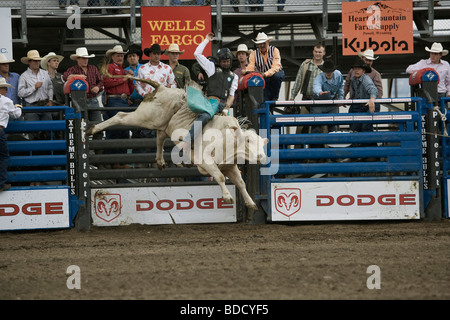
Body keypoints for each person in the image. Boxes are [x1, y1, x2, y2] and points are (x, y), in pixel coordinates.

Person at [179, 32, 238, 150]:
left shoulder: (234, 76)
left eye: (227, 61)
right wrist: (206, 40)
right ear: (219, 61)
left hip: (223, 105)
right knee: (205, 116)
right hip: (211, 103)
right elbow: (197, 54)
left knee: (235, 125)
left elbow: (231, 95)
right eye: (223, 61)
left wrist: (226, 108)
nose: (226, 63)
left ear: (230, 61)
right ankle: (188, 140)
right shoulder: (211, 68)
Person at [63, 47, 104, 140]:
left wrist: (98, 87)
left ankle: (96, 149)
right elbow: (65, 76)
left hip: (91, 100)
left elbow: (100, 82)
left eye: (86, 58)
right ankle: (86, 149)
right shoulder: (73, 69)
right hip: (80, 101)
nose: (86, 60)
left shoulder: (93, 68)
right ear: (78, 59)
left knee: (97, 126)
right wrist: (77, 76)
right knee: (81, 126)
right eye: (83, 58)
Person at [103, 45, 134, 164]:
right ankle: (112, 161)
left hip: (123, 101)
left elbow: (130, 90)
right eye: (118, 55)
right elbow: (107, 83)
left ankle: (119, 161)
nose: (120, 57)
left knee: (123, 131)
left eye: (122, 55)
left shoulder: (124, 71)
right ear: (112, 56)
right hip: (114, 100)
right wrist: (125, 79)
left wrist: (130, 79)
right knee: (116, 130)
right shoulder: (109, 67)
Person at [18, 50, 53, 140]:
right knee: (33, 132)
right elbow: (20, 93)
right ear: (29, 62)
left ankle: (47, 152)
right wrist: (34, 87)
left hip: (45, 105)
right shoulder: (24, 76)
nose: (37, 62)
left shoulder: (45, 73)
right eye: (35, 60)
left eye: (38, 60)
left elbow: (50, 87)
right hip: (32, 107)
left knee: (49, 131)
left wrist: (50, 100)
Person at [244, 32, 284, 101]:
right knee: (266, 96)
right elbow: (251, 66)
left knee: (277, 76)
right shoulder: (253, 54)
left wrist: (265, 74)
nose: (262, 45)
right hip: (263, 76)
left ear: (268, 42)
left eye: (264, 43)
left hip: (275, 73)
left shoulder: (274, 50)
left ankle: (275, 97)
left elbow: (276, 67)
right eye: (260, 43)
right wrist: (247, 71)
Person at [0, 78, 23, 191]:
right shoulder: (6, 101)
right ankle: (1, 184)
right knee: (3, 157)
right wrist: (18, 107)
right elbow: (16, 115)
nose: (6, 91)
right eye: (5, 89)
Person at [311, 60, 344, 134]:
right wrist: (319, 92)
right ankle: (316, 145)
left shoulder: (339, 75)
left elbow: (341, 87)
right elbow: (316, 86)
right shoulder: (319, 77)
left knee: (333, 127)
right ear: (323, 71)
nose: (328, 73)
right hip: (318, 103)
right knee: (316, 127)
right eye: (326, 71)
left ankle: (332, 145)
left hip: (332, 103)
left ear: (333, 70)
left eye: (330, 71)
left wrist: (341, 99)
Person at [348, 59, 378, 133]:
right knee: (354, 125)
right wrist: (349, 100)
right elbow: (355, 93)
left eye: (359, 69)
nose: (356, 71)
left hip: (368, 105)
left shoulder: (366, 79)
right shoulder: (354, 80)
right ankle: (358, 143)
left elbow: (373, 89)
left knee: (366, 126)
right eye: (355, 69)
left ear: (363, 71)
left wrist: (372, 100)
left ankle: (369, 143)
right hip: (361, 105)